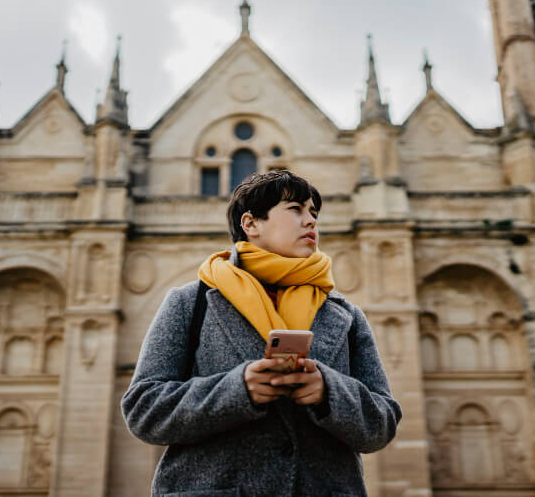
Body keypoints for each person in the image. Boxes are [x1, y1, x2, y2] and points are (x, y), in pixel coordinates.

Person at [121, 169, 402, 496]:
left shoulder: (347, 314)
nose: (310, 221)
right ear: (251, 224)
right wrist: (237, 390)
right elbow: (144, 410)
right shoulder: (189, 302)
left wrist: (329, 392)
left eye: (314, 212)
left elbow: (383, 423)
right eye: (295, 209)